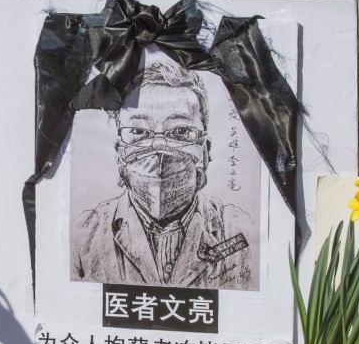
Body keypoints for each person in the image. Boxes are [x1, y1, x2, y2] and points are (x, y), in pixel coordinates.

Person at [71, 60, 256, 291]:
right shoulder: (83, 237)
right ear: (120, 152)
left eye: (180, 131)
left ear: (204, 150)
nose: (159, 149)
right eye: (139, 132)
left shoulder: (242, 231)